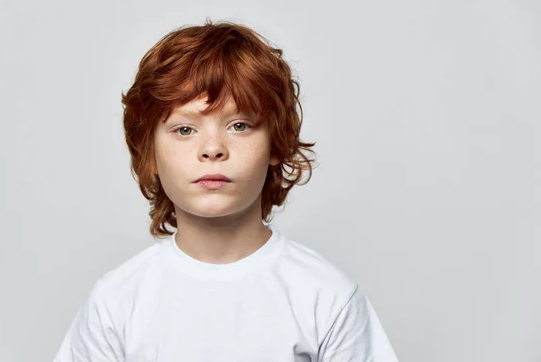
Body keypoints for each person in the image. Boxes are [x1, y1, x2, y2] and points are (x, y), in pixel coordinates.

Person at [53, 19, 399, 362]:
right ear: (150, 153)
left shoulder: (327, 296)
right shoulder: (116, 301)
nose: (213, 149)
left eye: (239, 125)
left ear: (275, 144)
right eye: (185, 129)